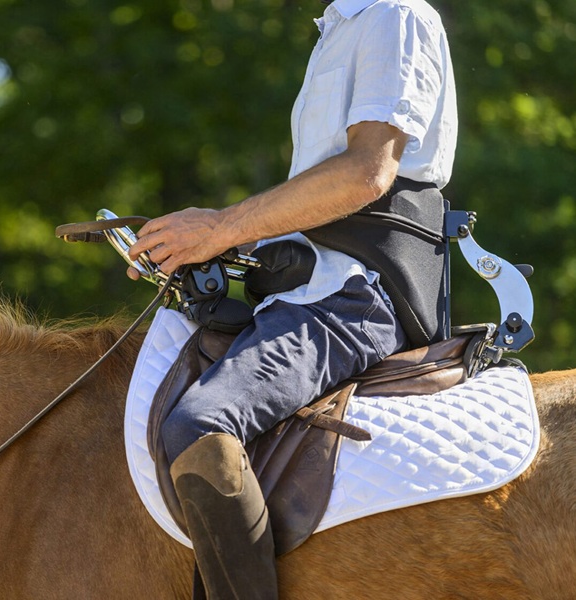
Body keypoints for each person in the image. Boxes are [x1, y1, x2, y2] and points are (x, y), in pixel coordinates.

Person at [128, 0, 457, 597]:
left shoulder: (394, 15)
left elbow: (367, 175)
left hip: (358, 296)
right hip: (312, 286)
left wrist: (222, 227)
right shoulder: (340, 28)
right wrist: (196, 247)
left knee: (200, 425)